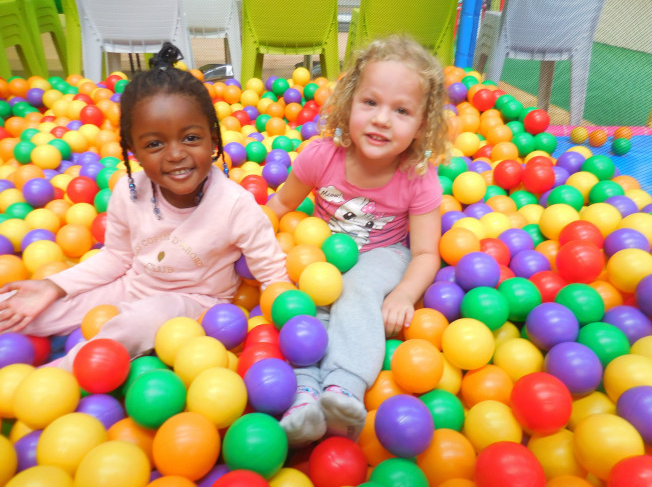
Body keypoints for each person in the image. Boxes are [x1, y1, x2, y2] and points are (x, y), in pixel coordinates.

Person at [0, 43, 289, 370]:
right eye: (154, 144)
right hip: (132, 285)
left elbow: (273, 275)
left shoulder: (236, 205)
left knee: (141, 321)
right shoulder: (128, 191)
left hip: (196, 302)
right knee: (24, 305)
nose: (176, 153)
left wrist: (287, 328)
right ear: (132, 150)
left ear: (213, 138)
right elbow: (116, 257)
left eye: (191, 138)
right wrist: (53, 286)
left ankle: (56, 377)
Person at [267, 35, 449, 445]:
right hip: (322, 255)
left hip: (385, 253)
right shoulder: (320, 156)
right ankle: (305, 394)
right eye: (370, 103)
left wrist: (404, 293)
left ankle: (345, 385)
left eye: (401, 110)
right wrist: (252, 230)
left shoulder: (418, 177)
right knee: (304, 301)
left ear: (422, 124)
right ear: (349, 103)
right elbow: (280, 205)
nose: (382, 119)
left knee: (359, 289)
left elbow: (425, 253)